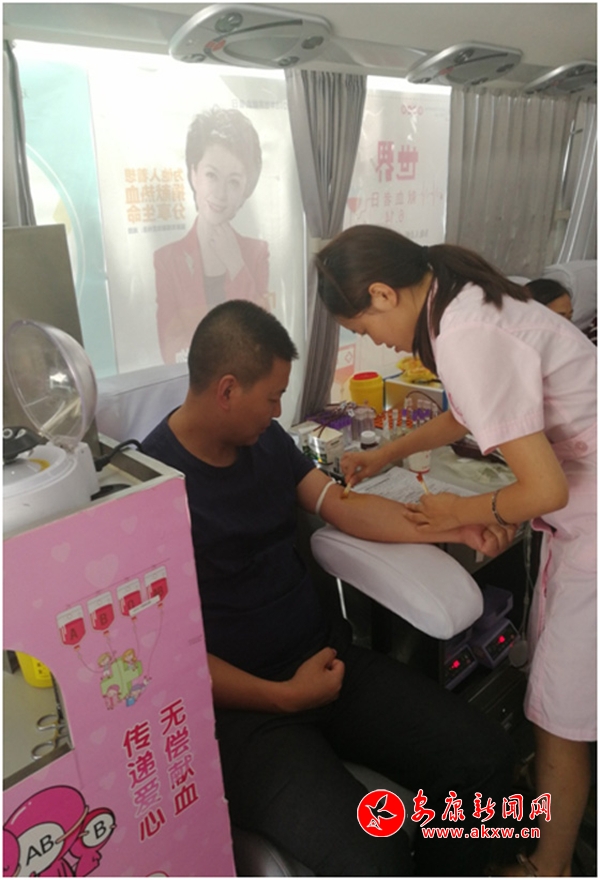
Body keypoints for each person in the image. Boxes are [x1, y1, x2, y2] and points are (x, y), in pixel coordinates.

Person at [142, 299, 519, 877]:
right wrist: (282, 697)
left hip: (329, 664)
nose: (278, 412)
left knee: (484, 760)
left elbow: (340, 504)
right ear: (226, 390)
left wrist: (452, 525)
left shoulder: (264, 443)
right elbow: (161, 655)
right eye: (273, 398)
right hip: (249, 715)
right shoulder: (150, 492)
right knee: (372, 855)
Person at [315, 225, 597, 877]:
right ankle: (552, 805)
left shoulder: (464, 331)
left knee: (559, 713)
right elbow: (470, 413)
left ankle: (545, 867)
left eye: (361, 326)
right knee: (559, 692)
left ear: (382, 294)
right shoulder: (462, 300)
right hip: (577, 512)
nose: (373, 341)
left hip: (586, 515)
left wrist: (465, 512)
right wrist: (386, 454)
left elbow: (543, 487)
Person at [154, 107, 270, 364]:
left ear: (245, 191)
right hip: (193, 383)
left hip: (246, 382)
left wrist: (236, 266)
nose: (220, 194)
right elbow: (170, 347)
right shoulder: (167, 260)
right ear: (193, 174)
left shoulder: (256, 253)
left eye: (234, 182)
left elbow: (263, 335)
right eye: (211, 175)